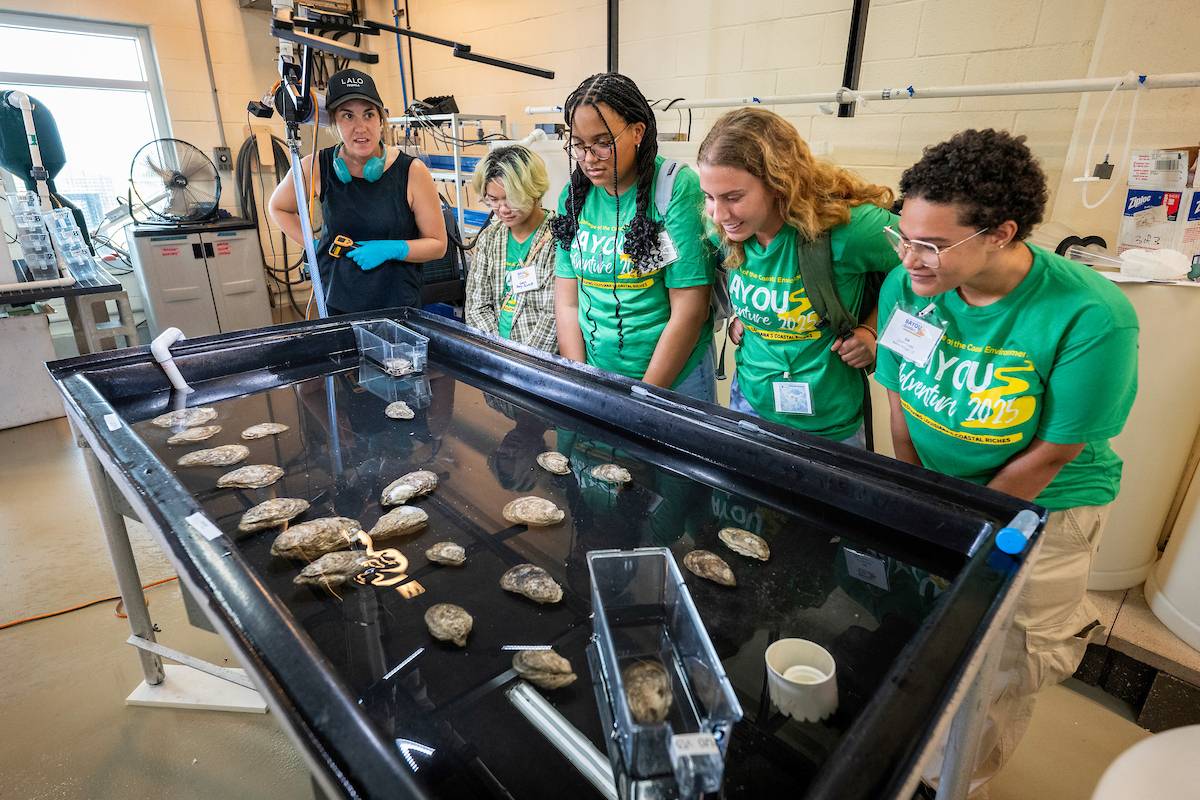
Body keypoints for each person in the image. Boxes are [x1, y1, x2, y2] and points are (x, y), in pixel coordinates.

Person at [873, 128, 1139, 793]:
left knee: (1001, 666)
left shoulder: (1090, 315)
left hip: (1041, 511)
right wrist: (915, 486)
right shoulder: (909, 284)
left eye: (932, 244)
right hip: (942, 494)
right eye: (902, 237)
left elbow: (1054, 451)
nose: (912, 258)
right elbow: (901, 391)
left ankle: (954, 783)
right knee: (929, 641)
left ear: (1001, 233)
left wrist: (969, 521)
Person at [697, 107, 898, 447]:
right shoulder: (723, 228)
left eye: (733, 197)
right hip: (750, 404)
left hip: (828, 422)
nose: (719, 214)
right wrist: (742, 314)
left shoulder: (847, 230)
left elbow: (925, 265)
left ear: (779, 183)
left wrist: (874, 330)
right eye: (710, 197)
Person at [551, 72, 718, 401]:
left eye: (602, 143)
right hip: (598, 374)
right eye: (579, 145)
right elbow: (568, 302)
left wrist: (641, 398)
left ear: (638, 131)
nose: (588, 159)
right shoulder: (574, 196)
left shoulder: (675, 188)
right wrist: (580, 379)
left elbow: (689, 310)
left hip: (674, 378)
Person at [268, 68, 446, 315]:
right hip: (339, 304)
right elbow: (278, 207)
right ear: (334, 122)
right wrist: (316, 245)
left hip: (398, 308)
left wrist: (393, 249)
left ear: (381, 119)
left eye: (369, 114)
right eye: (348, 116)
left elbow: (438, 244)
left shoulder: (412, 172)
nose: (361, 127)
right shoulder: (315, 167)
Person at [464, 145, 558, 352]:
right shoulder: (489, 238)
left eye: (511, 198)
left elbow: (553, 317)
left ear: (533, 191)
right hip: (495, 354)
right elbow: (476, 306)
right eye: (494, 200)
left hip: (538, 360)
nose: (503, 209)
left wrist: (523, 362)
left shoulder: (557, 238)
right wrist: (497, 353)